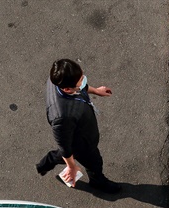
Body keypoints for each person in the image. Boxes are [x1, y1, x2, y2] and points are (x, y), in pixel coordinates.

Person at [36, 58, 122, 193]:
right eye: (81, 81)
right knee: (94, 162)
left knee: (65, 154)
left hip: (78, 132)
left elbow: (80, 88)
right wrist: (71, 167)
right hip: (82, 142)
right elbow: (64, 144)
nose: (83, 81)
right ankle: (98, 182)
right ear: (67, 89)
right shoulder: (62, 117)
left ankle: (45, 164)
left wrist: (96, 91)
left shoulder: (59, 79)